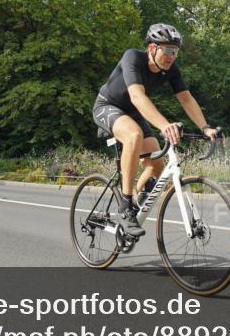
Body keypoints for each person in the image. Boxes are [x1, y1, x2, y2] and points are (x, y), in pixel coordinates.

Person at [92, 23, 219, 236]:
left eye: (175, 52)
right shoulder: (132, 57)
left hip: (133, 113)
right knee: (134, 135)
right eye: (168, 50)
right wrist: (164, 125)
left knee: (156, 164)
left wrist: (205, 128)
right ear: (152, 48)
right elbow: (137, 96)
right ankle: (125, 208)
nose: (172, 56)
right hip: (108, 107)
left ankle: (135, 199)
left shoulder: (171, 70)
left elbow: (187, 99)